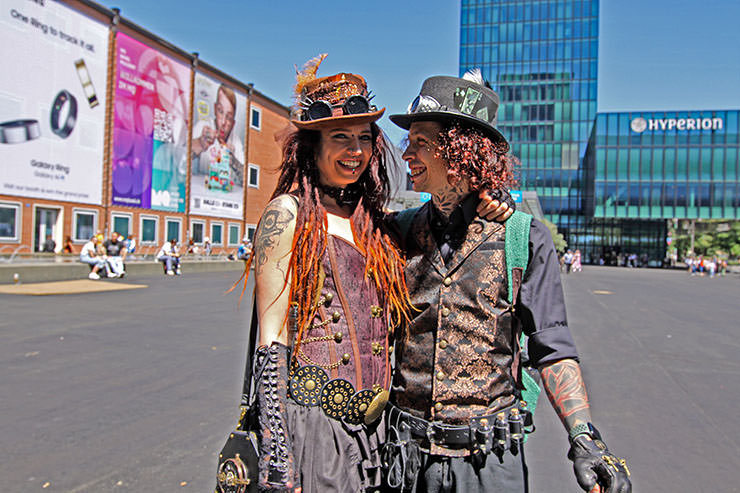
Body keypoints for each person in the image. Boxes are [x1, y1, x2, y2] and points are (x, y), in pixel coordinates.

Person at [383, 71, 631, 493]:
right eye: (409, 142)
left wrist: (584, 438)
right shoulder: (396, 233)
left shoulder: (524, 237)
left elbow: (552, 345)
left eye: (421, 142)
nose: (406, 153)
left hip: (490, 463)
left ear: (461, 151)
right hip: (405, 461)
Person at [192, 83, 244, 184]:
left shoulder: (236, 141)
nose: (223, 122)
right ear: (215, 109)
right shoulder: (203, 127)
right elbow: (178, 159)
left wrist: (233, 161)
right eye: (220, 111)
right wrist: (199, 144)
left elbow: (247, 179)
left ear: (233, 124)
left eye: (228, 117)